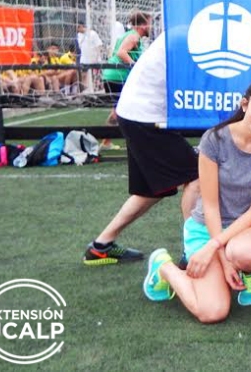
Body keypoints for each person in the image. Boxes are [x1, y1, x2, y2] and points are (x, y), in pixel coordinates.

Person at [141, 79, 251, 322]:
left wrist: (215, 249)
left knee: (248, 251)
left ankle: (247, 273)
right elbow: (210, 206)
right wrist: (219, 254)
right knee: (213, 312)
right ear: (245, 104)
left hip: (247, 230)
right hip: (207, 230)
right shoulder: (214, 139)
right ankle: (163, 267)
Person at [83, 35, 201, 265]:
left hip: (135, 112)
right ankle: (193, 252)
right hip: (146, 116)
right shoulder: (192, 32)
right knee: (197, 175)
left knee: (151, 191)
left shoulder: (186, 25)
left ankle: (100, 246)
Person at [102, 11, 152, 93]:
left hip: (111, 74)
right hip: (117, 76)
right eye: (149, 24)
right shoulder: (134, 36)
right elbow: (121, 52)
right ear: (143, 26)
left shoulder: (130, 35)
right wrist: (136, 67)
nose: (151, 27)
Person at [76, 22, 104, 93]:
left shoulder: (92, 33)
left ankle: (95, 89)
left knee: (94, 76)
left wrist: (97, 57)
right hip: (84, 59)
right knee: (84, 75)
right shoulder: (79, 35)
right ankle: (86, 89)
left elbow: (99, 45)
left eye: (78, 27)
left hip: (94, 59)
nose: (77, 29)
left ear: (81, 26)